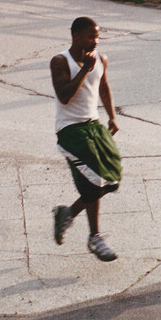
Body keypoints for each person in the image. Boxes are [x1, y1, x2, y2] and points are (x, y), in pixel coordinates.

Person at [49, 15, 120, 263]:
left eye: (98, 36)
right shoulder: (60, 61)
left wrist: (111, 116)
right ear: (76, 36)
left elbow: (103, 87)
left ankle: (67, 213)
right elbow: (65, 96)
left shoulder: (100, 59)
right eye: (91, 36)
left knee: (112, 178)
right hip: (70, 129)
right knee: (94, 182)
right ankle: (95, 237)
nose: (96, 41)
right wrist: (84, 70)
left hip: (94, 125)